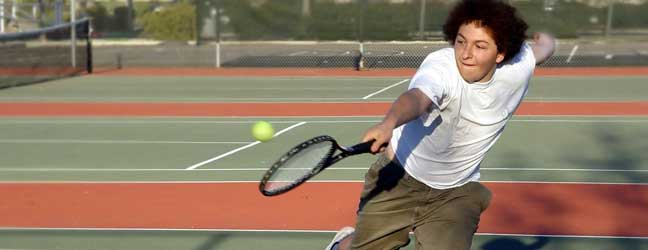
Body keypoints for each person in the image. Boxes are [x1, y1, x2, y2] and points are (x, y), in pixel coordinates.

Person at [326, 0, 555, 249]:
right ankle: (342, 244)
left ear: (500, 54)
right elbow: (418, 97)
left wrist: (547, 41)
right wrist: (389, 123)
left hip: (455, 194)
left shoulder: (518, 67)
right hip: (398, 177)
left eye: (480, 46)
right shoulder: (441, 67)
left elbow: (541, 50)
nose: (466, 53)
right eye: (461, 41)